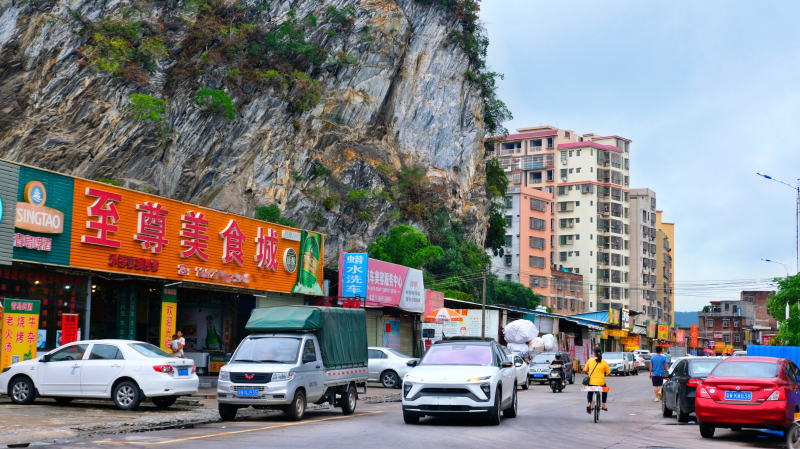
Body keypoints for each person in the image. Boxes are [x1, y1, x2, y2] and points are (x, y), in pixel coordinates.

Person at [585, 347, 611, 413]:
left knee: (590, 392)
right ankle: (604, 405)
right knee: (605, 390)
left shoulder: (590, 360)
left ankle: (589, 404)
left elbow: (585, 370)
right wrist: (607, 375)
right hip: (601, 383)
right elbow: (609, 372)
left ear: (594, 353)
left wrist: (587, 373)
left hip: (591, 382)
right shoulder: (604, 362)